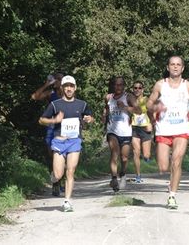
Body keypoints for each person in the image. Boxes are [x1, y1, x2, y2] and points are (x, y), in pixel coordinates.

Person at [147, 56, 189, 209]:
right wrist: (154, 111)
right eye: (172, 64)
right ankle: (172, 181)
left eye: (178, 65)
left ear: (182, 68)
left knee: (177, 161)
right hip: (163, 129)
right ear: (168, 67)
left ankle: (172, 196)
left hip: (181, 129)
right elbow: (149, 104)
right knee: (163, 166)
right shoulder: (160, 85)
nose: (175, 67)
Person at [39, 75, 94, 212]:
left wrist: (88, 119)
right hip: (59, 141)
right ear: (62, 88)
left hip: (75, 141)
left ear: (75, 88)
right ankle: (54, 178)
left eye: (71, 86)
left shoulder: (82, 104)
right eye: (66, 86)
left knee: (70, 171)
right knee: (58, 174)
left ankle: (67, 201)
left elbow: (90, 117)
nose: (69, 89)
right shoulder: (55, 104)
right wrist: (54, 121)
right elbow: (41, 120)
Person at [102, 77, 141, 192]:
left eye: (120, 85)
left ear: (124, 86)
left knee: (124, 158)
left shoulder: (128, 97)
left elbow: (138, 110)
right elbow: (106, 109)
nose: (118, 87)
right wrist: (104, 116)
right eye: (116, 85)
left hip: (125, 132)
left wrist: (125, 107)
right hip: (112, 130)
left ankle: (122, 173)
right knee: (114, 153)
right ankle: (114, 178)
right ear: (113, 86)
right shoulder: (108, 97)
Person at [31, 72, 64, 196]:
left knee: (64, 155)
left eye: (58, 79)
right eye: (54, 79)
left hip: (65, 127)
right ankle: (56, 181)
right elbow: (35, 96)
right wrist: (46, 84)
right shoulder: (51, 94)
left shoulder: (68, 92)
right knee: (52, 154)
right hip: (52, 126)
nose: (56, 81)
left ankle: (59, 182)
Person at [131, 81, 153, 183]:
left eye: (139, 88)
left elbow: (152, 114)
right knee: (136, 152)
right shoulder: (130, 101)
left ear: (143, 90)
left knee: (146, 155)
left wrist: (151, 125)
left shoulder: (146, 100)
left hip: (145, 129)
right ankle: (138, 176)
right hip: (134, 128)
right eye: (135, 88)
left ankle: (147, 157)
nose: (137, 90)